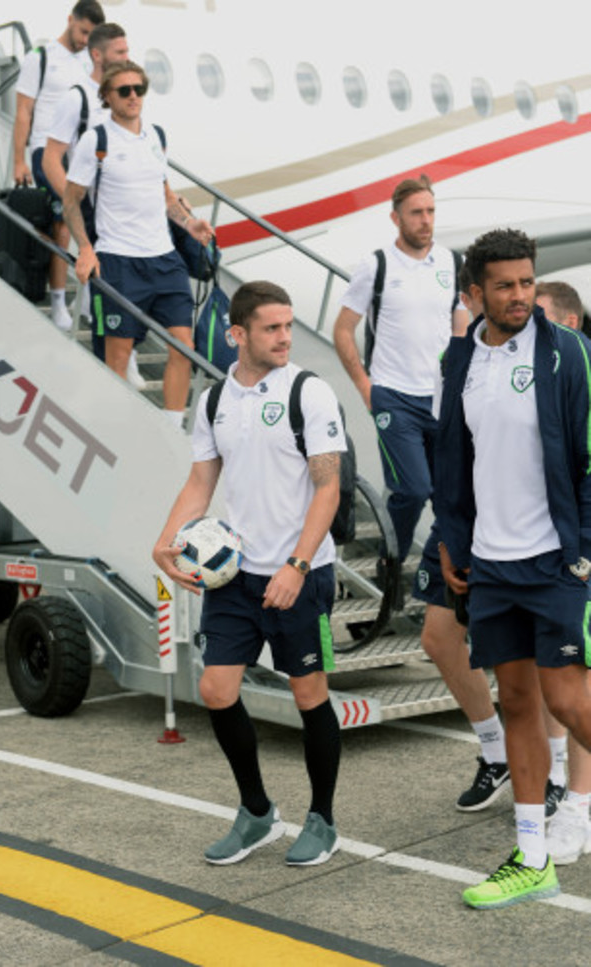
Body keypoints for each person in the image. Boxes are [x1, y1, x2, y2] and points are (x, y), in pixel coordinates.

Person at [152, 280, 345, 866]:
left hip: (300, 575)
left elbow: (328, 486)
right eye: (271, 328)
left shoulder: (308, 393)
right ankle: (258, 812)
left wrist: (297, 563)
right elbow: (201, 481)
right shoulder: (214, 402)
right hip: (235, 574)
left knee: (309, 694)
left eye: (288, 326)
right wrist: (166, 540)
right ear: (238, 334)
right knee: (215, 689)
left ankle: (323, 819)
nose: (285, 337)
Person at [434, 227, 591, 909]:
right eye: (506, 285)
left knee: (567, 699)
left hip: (559, 559)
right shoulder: (459, 358)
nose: (521, 295)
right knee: (519, 702)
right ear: (476, 293)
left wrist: (583, 549)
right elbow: (453, 459)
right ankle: (531, 856)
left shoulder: (569, 354)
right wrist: (451, 540)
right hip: (490, 564)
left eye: (527, 282)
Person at [63, 61, 213, 424]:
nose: (133, 97)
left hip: (165, 259)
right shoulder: (95, 140)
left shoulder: (155, 136)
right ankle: (119, 433)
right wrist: (84, 247)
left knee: (184, 346)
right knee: (117, 357)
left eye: (139, 89)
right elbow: (71, 200)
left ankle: (171, 427)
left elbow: (164, 193)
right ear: (107, 96)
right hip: (118, 261)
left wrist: (188, 222)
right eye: (124, 90)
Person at [333, 174, 469, 572]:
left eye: (430, 211)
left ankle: (440, 573)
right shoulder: (375, 266)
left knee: (450, 495)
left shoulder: (451, 262)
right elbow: (343, 329)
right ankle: (391, 563)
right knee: (412, 489)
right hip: (394, 395)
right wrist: (364, 385)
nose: (425, 220)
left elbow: (459, 327)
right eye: (416, 213)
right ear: (396, 218)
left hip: (443, 399)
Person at [413, 261, 508, 813]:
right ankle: (494, 751)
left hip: (516, 521)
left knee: (530, 651)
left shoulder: (546, 352)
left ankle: (555, 770)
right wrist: (449, 525)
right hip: (460, 516)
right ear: (473, 297)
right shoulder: (454, 360)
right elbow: (445, 446)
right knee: (437, 637)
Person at [533, 280, 591, 864]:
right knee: (555, 678)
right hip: (543, 550)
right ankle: (565, 789)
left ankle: (577, 806)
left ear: (570, 325)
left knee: (577, 683)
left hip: (579, 550)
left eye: (545, 320)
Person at [41, 23, 131, 370]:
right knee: (105, 289)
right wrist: (73, 202)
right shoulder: (76, 98)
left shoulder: (124, 95)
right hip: (90, 205)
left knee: (124, 288)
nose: (126, 57)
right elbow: (51, 158)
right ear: (98, 55)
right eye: (120, 52)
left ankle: (129, 356)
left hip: (121, 207)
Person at [13, 1, 105, 331]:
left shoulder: (89, 62)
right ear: (70, 21)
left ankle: (84, 299)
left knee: (91, 223)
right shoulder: (41, 57)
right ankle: (57, 300)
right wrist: (19, 159)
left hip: (78, 153)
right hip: (44, 149)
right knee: (64, 222)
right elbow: (24, 109)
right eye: (82, 32)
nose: (85, 40)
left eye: (91, 36)